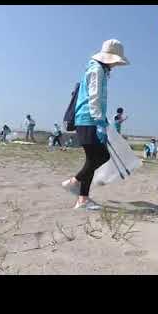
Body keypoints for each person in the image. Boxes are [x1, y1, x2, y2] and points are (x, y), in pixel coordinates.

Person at [61, 39, 129, 210]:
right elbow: (94, 98)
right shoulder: (97, 70)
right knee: (102, 156)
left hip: (89, 119)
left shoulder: (97, 69)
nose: (114, 65)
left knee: (91, 159)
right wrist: (99, 121)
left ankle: (83, 200)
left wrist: (102, 119)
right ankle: (73, 182)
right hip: (88, 120)